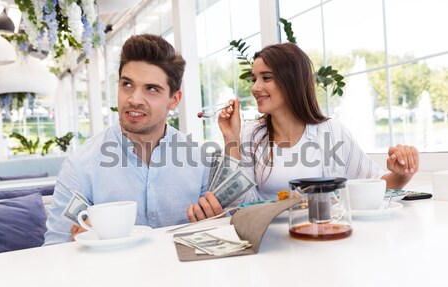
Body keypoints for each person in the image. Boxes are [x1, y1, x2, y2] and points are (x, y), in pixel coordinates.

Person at [188, 42, 419, 221]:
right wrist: (231, 139)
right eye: (254, 79)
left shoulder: (332, 132)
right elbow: (235, 207)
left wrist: (402, 174)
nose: (256, 88)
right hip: (268, 240)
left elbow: (375, 185)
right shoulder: (250, 135)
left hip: (324, 235)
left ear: (292, 81)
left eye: (266, 78)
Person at [44, 34, 209, 245]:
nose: (134, 99)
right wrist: (76, 245)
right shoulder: (80, 165)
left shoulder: (199, 161)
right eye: (127, 84)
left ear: (174, 100)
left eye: (151, 89)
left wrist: (213, 223)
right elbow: (54, 248)